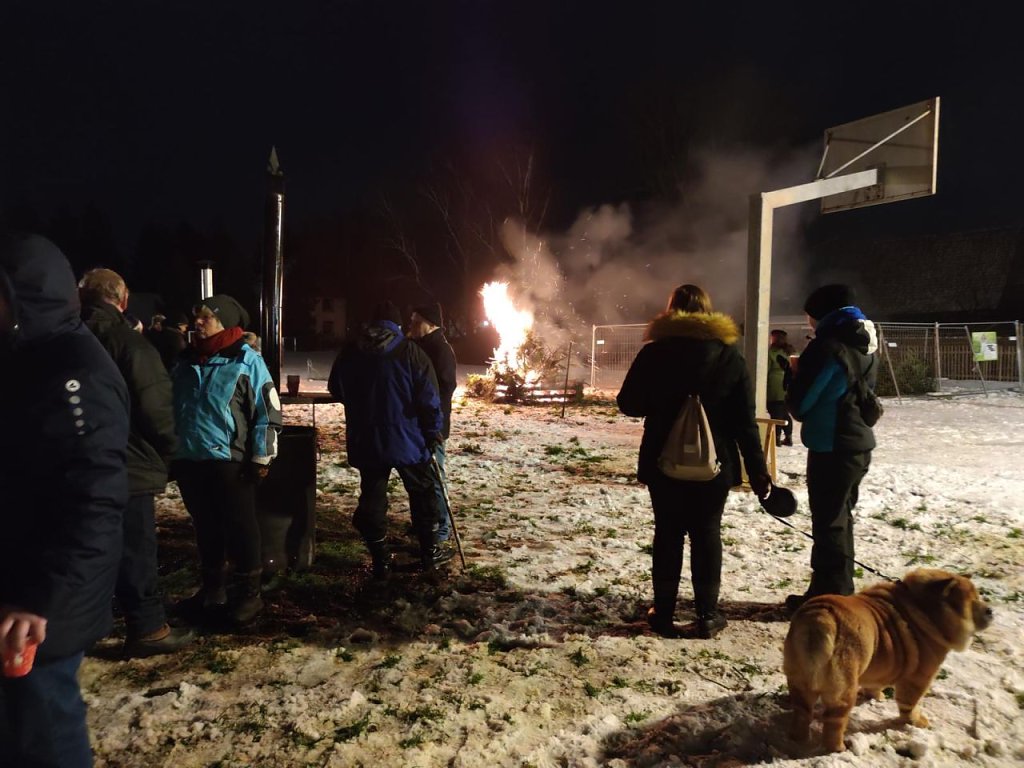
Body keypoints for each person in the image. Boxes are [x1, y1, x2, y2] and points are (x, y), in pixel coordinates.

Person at [0, 234, 129, 766]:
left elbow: (94, 499)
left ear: (25, 296)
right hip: (21, 580)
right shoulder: (27, 355)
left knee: (44, 728)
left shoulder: (75, 369)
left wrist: (43, 599)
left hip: (42, 600)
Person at [617, 284, 770, 639]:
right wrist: (757, 470)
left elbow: (628, 403)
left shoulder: (655, 353)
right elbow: (744, 421)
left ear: (671, 310)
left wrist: (662, 403)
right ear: (708, 312)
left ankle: (664, 612)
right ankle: (707, 614)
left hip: (663, 461)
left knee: (667, 534)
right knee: (707, 534)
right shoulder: (729, 356)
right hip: (715, 465)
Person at [78, 268, 194, 657]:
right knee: (135, 549)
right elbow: (156, 407)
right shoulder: (128, 344)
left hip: (71, 465)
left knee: (83, 547)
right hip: (126, 466)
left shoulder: (60, 339)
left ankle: (79, 629)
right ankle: (147, 627)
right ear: (123, 299)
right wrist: (170, 451)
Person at [170, 294, 281, 626]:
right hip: (190, 458)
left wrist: (261, 457)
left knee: (241, 526)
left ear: (226, 322)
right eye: (197, 316)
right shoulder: (184, 361)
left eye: (206, 317)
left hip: (230, 461)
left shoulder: (247, 360)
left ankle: (249, 594)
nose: (197, 322)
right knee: (205, 526)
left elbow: (267, 412)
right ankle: (212, 590)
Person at [328, 301, 449, 578]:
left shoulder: (351, 351)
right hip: (409, 440)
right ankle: (430, 552)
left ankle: (380, 557)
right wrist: (434, 431)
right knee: (423, 494)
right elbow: (429, 398)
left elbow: (336, 387)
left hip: (367, 439)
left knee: (372, 496)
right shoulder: (410, 352)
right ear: (397, 324)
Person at [784, 284, 878, 610]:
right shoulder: (864, 341)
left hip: (832, 445)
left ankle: (828, 598)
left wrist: (793, 376)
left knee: (829, 523)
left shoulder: (826, 347)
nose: (809, 323)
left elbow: (801, 405)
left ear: (821, 314)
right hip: (856, 443)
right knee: (840, 519)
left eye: (810, 316)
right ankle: (839, 588)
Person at [408, 302, 458, 545]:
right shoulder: (420, 345)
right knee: (420, 479)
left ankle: (442, 527)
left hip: (434, 425)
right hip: (418, 423)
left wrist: (430, 413)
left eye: (415, 321)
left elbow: (446, 386)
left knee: (435, 477)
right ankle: (424, 523)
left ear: (428, 323)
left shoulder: (440, 349)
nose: (410, 325)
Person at [767, 329, 795, 446]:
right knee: (784, 412)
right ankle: (788, 437)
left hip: (774, 385)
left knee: (775, 412)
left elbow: (766, 368)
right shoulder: (789, 351)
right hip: (788, 385)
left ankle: (776, 438)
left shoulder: (771, 353)